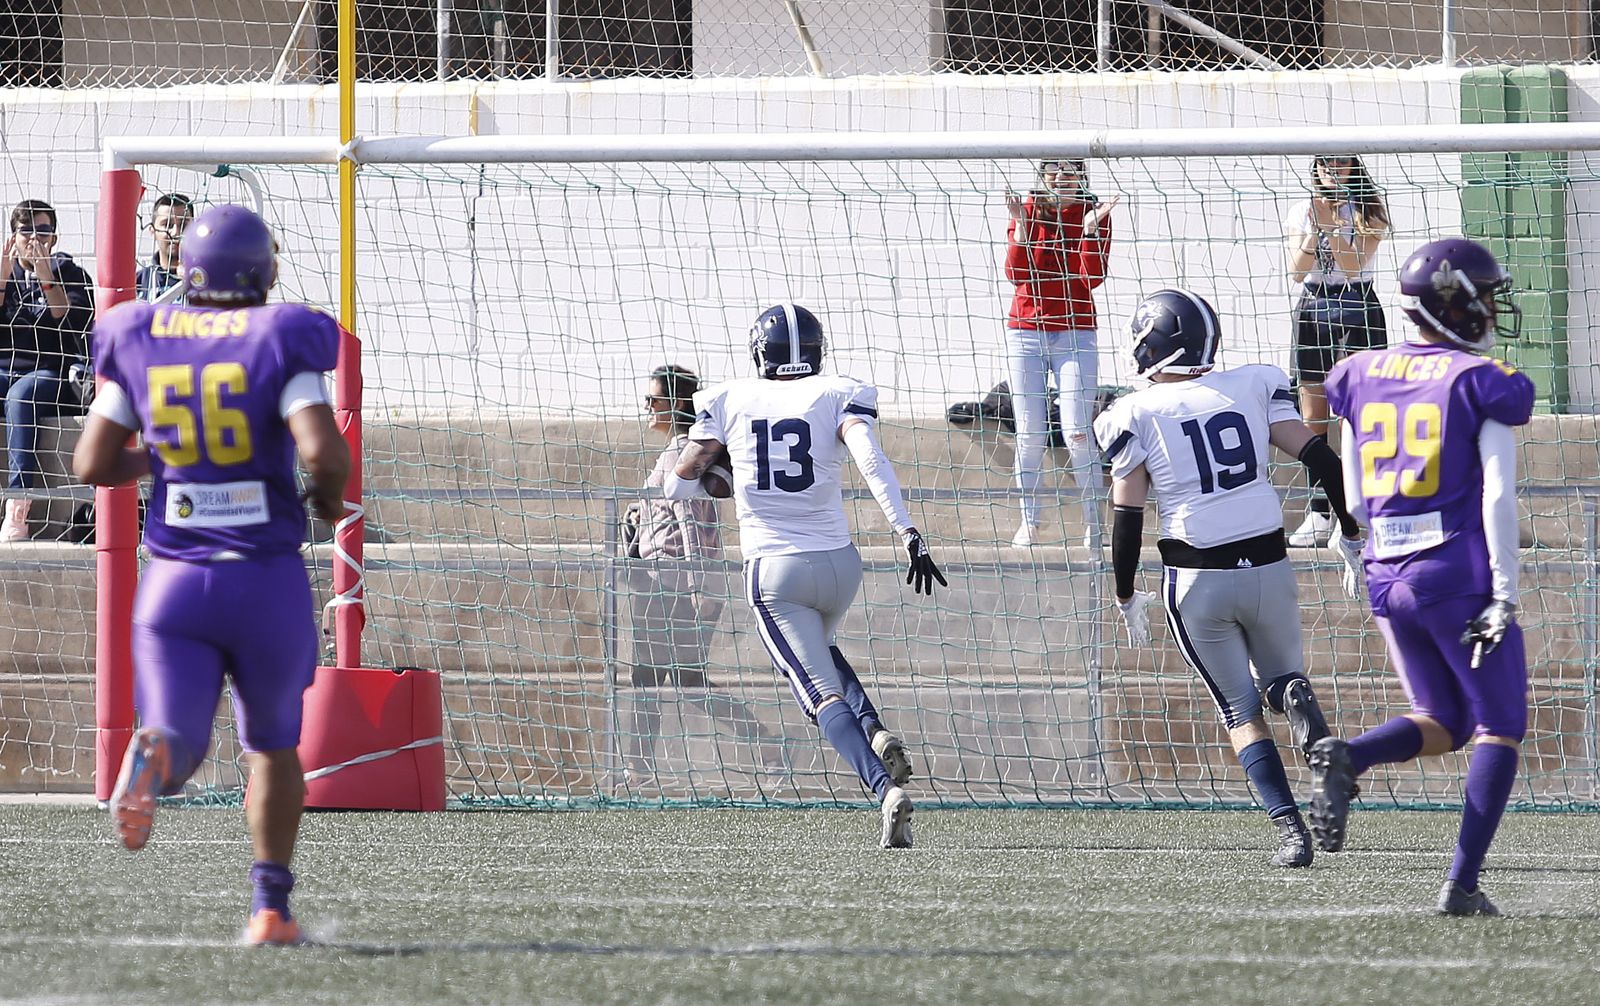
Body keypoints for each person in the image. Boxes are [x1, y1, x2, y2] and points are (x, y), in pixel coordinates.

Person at [73, 204, 349, 946]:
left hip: (173, 582)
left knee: (178, 737)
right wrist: (326, 499)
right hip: (262, 579)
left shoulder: (142, 336)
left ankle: (156, 756)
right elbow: (322, 452)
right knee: (272, 748)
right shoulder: (278, 336)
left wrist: (163, 458)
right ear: (263, 271)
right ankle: (269, 909)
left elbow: (92, 462)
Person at [1093, 288, 1365, 868]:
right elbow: (1324, 460)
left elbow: (1127, 514)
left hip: (1199, 577)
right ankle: (1299, 707)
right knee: (1283, 678)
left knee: (1240, 711)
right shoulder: (1253, 384)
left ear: (1152, 345)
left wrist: (1125, 592)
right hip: (1269, 565)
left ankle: (1292, 832)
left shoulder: (1133, 413)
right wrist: (1349, 531)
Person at [666, 304, 946, 848]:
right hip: (840, 565)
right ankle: (874, 728)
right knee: (822, 650)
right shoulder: (836, 393)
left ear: (759, 353)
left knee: (819, 695)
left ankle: (883, 789)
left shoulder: (730, 399)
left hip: (776, 572)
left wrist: (726, 475)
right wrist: (908, 532)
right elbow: (870, 460)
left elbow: (678, 484)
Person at [1310, 238, 1534, 917]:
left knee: (1444, 719)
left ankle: (1349, 755)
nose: (1492, 307)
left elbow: (1353, 492)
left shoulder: (1358, 372)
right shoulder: (1480, 380)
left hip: (1386, 573)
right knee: (1500, 725)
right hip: (1454, 573)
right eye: (1485, 295)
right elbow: (1497, 494)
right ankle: (1461, 885)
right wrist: (1505, 592)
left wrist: (1360, 546)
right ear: (1456, 302)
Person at [622, 362, 783, 785]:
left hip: (671, 584)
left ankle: (638, 770)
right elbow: (672, 515)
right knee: (678, 680)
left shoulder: (683, 454)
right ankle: (767, 746)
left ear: (676, 403)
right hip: (664, 581)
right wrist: (639, 514)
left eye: (653, 399)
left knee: (655, 679)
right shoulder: (677, 452)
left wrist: (699, 587)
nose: (647, 406)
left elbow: (694, 523)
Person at [1003, 157, 1117, 549]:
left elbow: (1091, 278)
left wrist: (1090, 231)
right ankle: (1030, 522)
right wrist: (1021, 225)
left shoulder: (1093, 213)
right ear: (1043, 174)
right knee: (1030, 433)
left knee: (1078, 432)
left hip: (1075, 333)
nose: (1062, 175)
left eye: (1071, 169)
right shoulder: (1029, 208)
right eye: (1054, 168)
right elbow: (1017, 274)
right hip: (1026, 332)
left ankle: (1094, 524)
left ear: (1082, 176)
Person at [1283, 154, 1391, 547]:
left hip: (1356, 304)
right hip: (1314, 306)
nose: (1332, 169)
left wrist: (1332, 228)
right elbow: (1297, 271)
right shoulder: (1303, 209)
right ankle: (1320, 509)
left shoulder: (1370, 209)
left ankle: (1359, 508)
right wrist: (1316, 230)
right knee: (1313, 413)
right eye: (1324, 163)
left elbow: (1351, 266)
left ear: (1353, 166)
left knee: (1357, 413)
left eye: (1340, 163)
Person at [0, 198, 94, 541]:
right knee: (13, 388)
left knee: (21, 395)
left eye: (43, 231)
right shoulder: (6, 274)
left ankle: (18, 503)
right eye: (26, 231)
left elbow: (71, 324)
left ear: (54, 237)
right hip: (7, 370)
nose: (34, 239)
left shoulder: (71, 274)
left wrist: (46, 278)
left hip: (54, 373)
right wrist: (2, 278)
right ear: (13, 237)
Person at [136, 192, 193, 303]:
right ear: (152, 231)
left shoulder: (207, 281)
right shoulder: (139, 282)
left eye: (184, 225)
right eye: (167, 225)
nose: (176, 233)